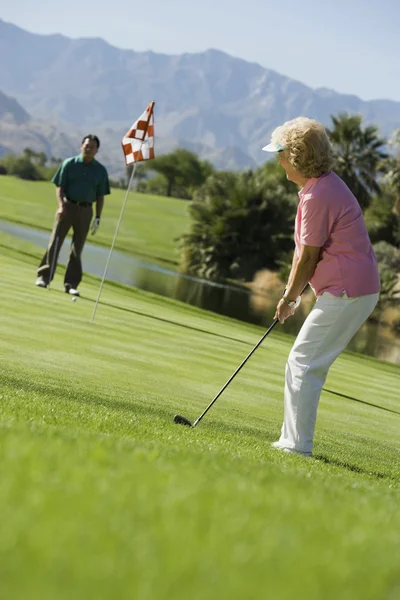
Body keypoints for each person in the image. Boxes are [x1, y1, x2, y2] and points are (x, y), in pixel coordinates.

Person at [262, 117, 380, 458]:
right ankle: (291, 440)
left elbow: (309, 258)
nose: (278, 160)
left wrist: (288, 298)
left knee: (304, 360)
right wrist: (292, 293)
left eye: (281, 153)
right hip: (353, 289)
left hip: (348, 291)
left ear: (296, 155)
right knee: (306, 361)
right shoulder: (320, 187)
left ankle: (297, 445)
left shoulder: (318, 195)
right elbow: (305, 254)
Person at [36, 135, 110, 296]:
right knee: (55, 242)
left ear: (97, 150)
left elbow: (100, 196)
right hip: (67, 206)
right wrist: (61, 206)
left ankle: (71, 284)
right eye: (86, 145)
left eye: (92, 147)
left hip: (86, 210)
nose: (88, 148)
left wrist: (98, 217)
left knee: (78, 248)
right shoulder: (69, 164)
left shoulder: (100, 171)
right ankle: (44, 277)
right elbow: (59, 187)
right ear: (81, 146)